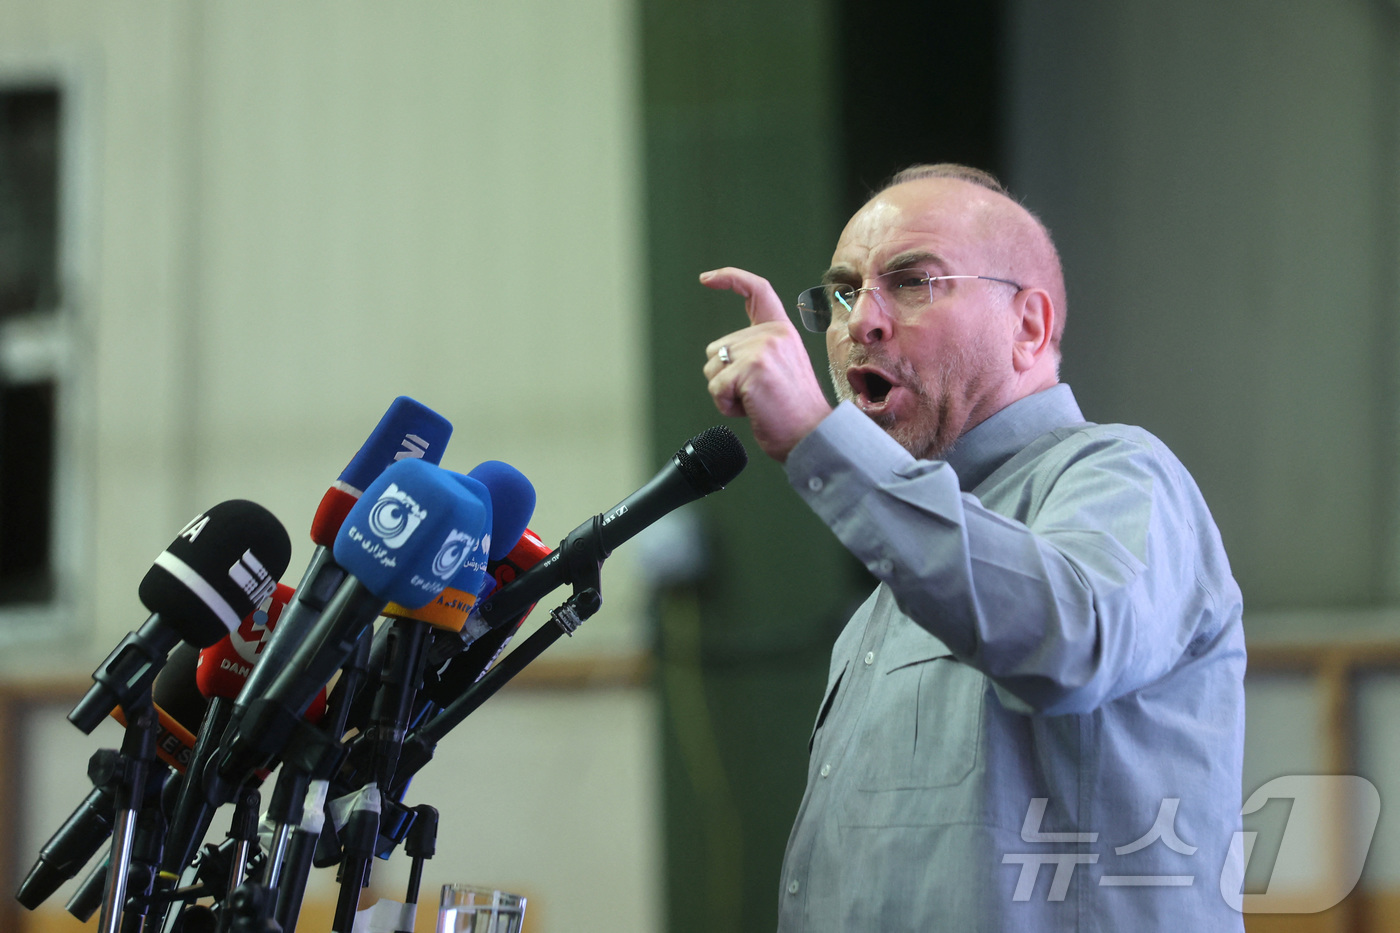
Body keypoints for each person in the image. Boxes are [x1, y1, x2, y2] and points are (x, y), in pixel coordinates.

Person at [700, 164, 1245, 930]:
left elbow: (1073, 636)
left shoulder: (1125, 475)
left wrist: (821, 440)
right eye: (846, 292)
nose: (864, 321)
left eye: (914, 282)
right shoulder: (885, 603)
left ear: (1028, 326)